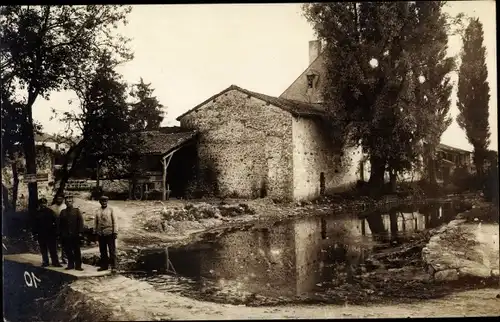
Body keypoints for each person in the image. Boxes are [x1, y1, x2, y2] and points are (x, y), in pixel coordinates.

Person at [33, 198, 62, 268]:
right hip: (41, 234)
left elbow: (56, 222)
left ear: (46, 204)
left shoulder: (51, 212)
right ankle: (45, 262)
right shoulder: (37, 213)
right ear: (39, 204)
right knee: (43, 249)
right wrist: (35, 233)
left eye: (44, 203)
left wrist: (56, 232)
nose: (43, 205)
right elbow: (34, 224)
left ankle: (55, 262)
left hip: (50, 234)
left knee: (53, 249)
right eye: (42, 204)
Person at [59, 195, 84, 271]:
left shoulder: (76, 211)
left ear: (72, 202)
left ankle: (78, 265)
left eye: (70, 201)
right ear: (65, 203)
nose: (68, 203)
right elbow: (60, 224)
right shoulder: (63, 212)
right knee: (68, 250)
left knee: (76, 250)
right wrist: (61, 234)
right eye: (67, 201)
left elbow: (80, 222)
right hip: (66, 235)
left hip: (75, 234)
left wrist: (80, 232)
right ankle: (70, 264)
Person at [94, 195, 118, 272]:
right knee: (102, 250)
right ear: (100, 202)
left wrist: (115, 232)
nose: (104, 203)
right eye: (102, 201)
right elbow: (95, 222)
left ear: (107, 202)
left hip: (109, 232)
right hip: (101, 233)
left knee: (112, 250)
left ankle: (113, 266)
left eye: (105, 201)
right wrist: (96, 233)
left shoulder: (111, 210)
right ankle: (104, 266)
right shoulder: (98, 211)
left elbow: (115, 221)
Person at [51, 194, 67, 264]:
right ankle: (55, 259)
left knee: (65, 243)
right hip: (54, 228)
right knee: (55, 244)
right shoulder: (52, 207)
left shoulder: (65, 206)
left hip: (63, 228)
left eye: (61, 198)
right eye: (58, 198)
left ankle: (64, 258)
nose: (59, 200)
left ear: (63, 199)